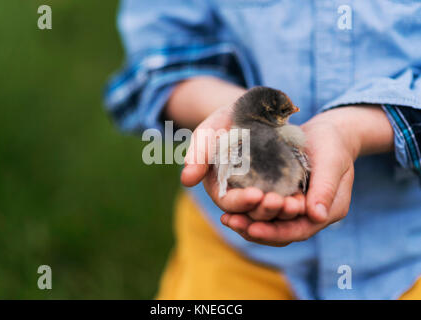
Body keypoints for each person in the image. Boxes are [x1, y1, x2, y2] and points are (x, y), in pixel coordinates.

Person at [105, 0, 421, 299]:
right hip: (231, 257)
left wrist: (356, 128)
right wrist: (226, 113)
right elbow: (158, 59)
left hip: (407, 260)